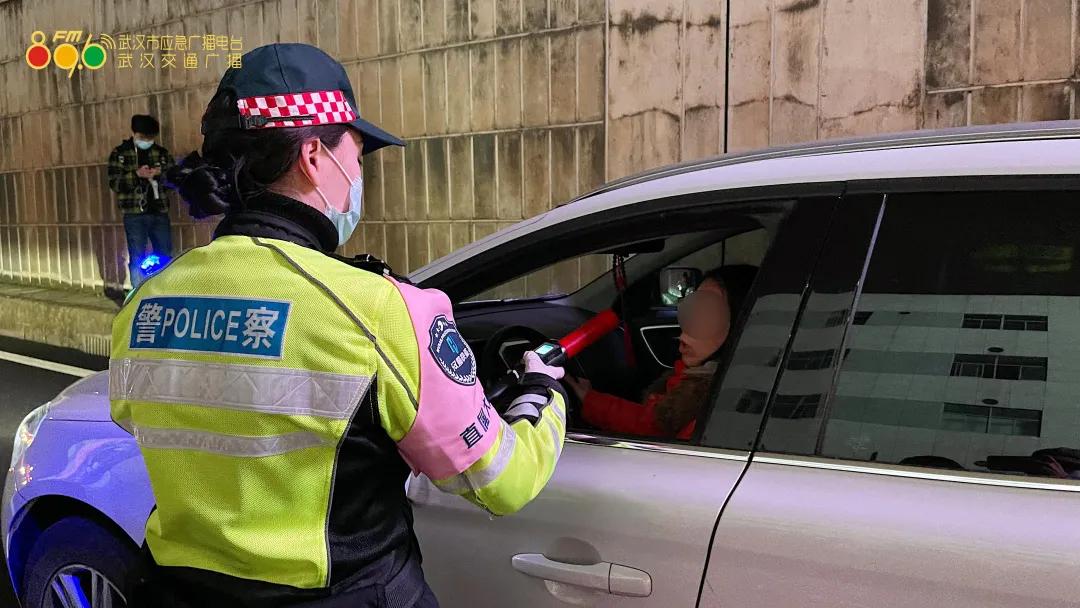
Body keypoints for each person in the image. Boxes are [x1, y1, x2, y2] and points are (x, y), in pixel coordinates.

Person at [109, 43, 568, 608]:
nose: (357, 173)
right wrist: (542, 392)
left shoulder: (147, 304)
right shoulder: (378, 309)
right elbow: (503, 480)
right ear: (312, 157)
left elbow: (151, 423)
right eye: (356, 154)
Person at [565, 265, 756, 440]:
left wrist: (589, 401)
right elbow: (653, 424)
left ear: (741, 324)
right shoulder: (701, 382)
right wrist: (589, 399)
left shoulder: (718, 413)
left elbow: (654, 429)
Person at [107, 114, 176, 290]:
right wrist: (136, 175)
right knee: (137, 255)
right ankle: (138, 295)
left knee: (165, 254)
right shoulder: (121, 153)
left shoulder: (161, 153)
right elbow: (115, 183)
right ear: (135, 133)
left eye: (150, 138)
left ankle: (164, 292)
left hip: (159, 211)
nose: (147, 141)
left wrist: (160, 174)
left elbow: (174, 179)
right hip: (134, 214)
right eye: (144, 137)